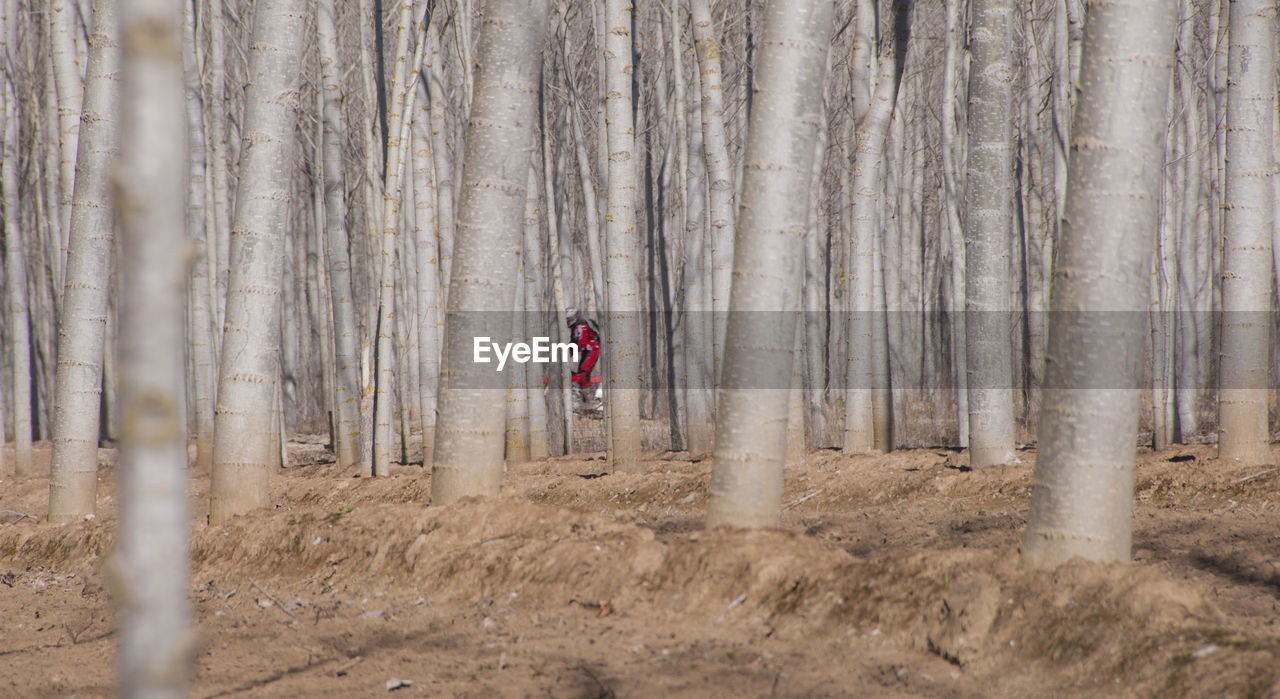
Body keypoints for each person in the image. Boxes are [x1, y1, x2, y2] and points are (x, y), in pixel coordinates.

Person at [566, 308, 601, 408]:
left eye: (569, 319)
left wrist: (569, 354)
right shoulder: (575, 327)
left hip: (592, 350)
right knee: (581, 372)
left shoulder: (582, 326)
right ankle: (584, 396)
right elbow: (573, 343)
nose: (567, 322)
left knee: (583, 373)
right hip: (588, 350)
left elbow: (581, 343)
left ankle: (590, 400)